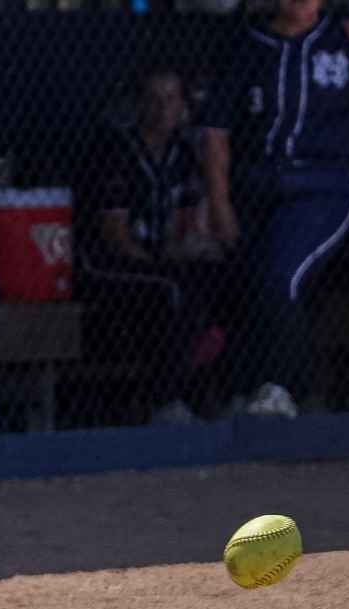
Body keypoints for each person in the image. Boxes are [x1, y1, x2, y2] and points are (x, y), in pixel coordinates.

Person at [200, 0, 349, 417]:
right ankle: (249, 387)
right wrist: (220, 204)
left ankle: (281, 386)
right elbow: (215, 134)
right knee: (248, 284)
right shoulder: (248, 45)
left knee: (281, 274)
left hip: (322, 184)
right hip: (254, 183)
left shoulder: (345, 38)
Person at [81, 68, 234, 426]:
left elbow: (182, 227)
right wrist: (165, 263)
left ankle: (226, 395)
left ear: (183, 105)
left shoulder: (182, 153)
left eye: (170, 98)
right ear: (135, 105)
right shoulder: (116, 151)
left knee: (222, 279)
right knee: (174, 289)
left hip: (160, 260)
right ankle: (163, 402)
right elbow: (116, 238)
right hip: (109, 263)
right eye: (151, 98)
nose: (161, 108)